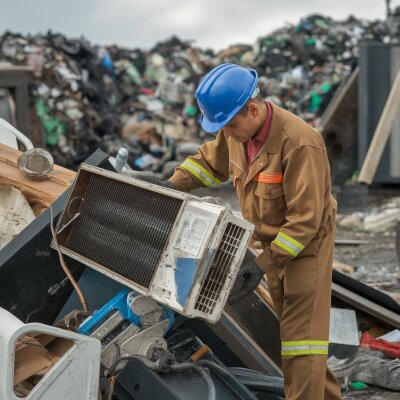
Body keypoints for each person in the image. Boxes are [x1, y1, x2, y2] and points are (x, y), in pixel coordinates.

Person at [165, 63, 342, 399]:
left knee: (302, 345)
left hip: (306, 249)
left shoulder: (300, 143)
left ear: (254, 109)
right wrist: (168, 185)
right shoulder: (237, 132)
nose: (227, 134)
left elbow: (306, 220)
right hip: (272, 246)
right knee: (299, 340)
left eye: (230, 124)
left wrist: (262, 265)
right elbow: (206, 164)